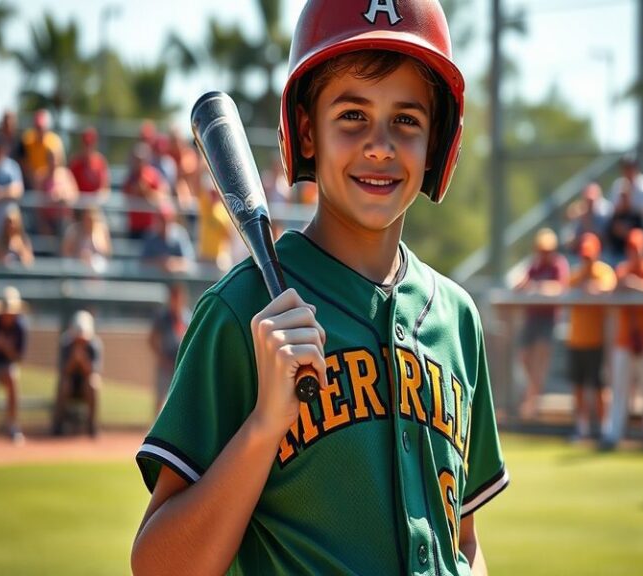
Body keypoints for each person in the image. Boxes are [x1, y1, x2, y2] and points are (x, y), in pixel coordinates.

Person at [131, 2, 507, 574]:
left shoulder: (456, 318)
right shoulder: (243, 312)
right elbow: (159, 566)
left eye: (406, 120)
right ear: (306, 132)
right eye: (352, 116)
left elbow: (464, 539)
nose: (380, 145)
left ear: (437, 141)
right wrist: (263, 426)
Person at [600, 228, 643, 451]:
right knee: (619, 390)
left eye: (638, 250)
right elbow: (610, 295)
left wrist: (633, 284)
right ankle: (612, 435)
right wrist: (622, 284)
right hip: (624, 340)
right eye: (631, 249)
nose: (635, 254)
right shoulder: (622, 270)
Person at [566, 233, 617, 441]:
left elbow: (608, 289)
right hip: (577, 339)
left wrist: (591, 289)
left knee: (598, 386)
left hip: (597, 339)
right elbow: (567, 289)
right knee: (578, 385)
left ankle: (605, 427)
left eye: (590, 256)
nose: (586, 260)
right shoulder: (576, 274)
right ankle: (582, 426)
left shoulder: (603, 272)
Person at [515, 228, 569, 420]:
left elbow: (559, 288)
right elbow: (520, 285)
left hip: (548, 319)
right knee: (524, 358)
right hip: (532, 319)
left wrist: (537, 287)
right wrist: (526, 285)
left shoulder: (558, 265)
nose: (544, 254)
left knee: (539, 361)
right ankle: (533, 396)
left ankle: (531, 404)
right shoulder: (534, 266)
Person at [52, 310, 103, 437]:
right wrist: (73, 361)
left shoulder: (94, 345)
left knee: (93, 383)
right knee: (65, 383)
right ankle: (59, 424)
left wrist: (82, 361)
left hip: (85, 384)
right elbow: (63, 371)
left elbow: (93, 372)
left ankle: (92, 425)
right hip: (70, 383)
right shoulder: (66, 343)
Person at [148, 283, 191, 413]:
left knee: (184, 398)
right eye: (174, 297)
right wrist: (161, 358)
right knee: (161, 397)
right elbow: (152, 339)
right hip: (166, 361)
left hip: (181, 362)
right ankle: (155, 430)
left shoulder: (187, 316)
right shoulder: (163, 317)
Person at [0, 286, 27, 443]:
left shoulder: (20, 326)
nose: (8, 316)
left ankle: (12, 424)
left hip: (7, 364)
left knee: (12, 377)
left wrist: (5, 347)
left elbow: (18, 358)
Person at [123, 143, 167, 239]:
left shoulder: (153, 175)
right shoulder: (130, 178)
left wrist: (146, 191)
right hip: (134, 226)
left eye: (140, 160)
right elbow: (125, 196)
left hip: (150, 226)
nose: (138, 162)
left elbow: (162, 196)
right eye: (136, 159)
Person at [140, 200, 195, 274]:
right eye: (161, 219)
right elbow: (143, 262)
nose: (164, 223)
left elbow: (189, 263)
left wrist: (172, 264)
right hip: (154, 280)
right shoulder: (150, 235)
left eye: (166, 219)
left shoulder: (180, 234)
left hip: (176, 278)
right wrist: (160, 262)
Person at [33, 147, 79, 236]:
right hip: (47, 220)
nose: (53, 162)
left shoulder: (66, 173)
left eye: (55, 158)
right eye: (50, 158)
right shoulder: (41, 175)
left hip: (65, 219)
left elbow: (75, 194)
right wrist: (43, 224)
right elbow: (37, 201)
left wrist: (64, 196)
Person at [609, 153, 643, 233]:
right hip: (621, 229)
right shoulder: (618, 185)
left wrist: (628, 200)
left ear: (636, 168)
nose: (628, 171)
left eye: (630, 167)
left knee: (635, 239)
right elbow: (612, 210)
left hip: (641, 229)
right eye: (625, 168)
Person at [19, 109, 65, 189]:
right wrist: (33, 179)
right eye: (37, 127)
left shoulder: (55, 141)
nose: (39, 130)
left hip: (50, 184)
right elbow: (24, 164)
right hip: (31, 183)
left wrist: (44, 176)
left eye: (41, 127)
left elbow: (60, 164)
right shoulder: (27, 140)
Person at [564, 182, 611, 255]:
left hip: (602, 254)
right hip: (581, 254)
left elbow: (602, 240)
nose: (590, 203)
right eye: (587, 200)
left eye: (591, 200)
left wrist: (587, 221)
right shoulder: (579, 214)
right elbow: (570, 242)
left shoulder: (604, 214)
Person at [61, 205, 112, 272]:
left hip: (95, 264)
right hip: (76, 262)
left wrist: (92, 256)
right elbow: (66, 251)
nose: (89, 222)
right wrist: (79, 256)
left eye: (92, 219)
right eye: (87, 219)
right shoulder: (74, 230)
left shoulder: (101, 230)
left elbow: (107, 252)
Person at [606, 182, 643, 263]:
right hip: (617, 252)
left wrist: (626, 233)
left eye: (626, 196)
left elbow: (641, 234)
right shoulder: (615, 216)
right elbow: (609, 235)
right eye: (622, 197)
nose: (624, 199)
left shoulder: (636, 215)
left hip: (633, 253)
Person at [0, 132, 24, 237]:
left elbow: (18, 190)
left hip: (7, 214)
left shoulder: (12, 166)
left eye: (0, 148)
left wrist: (1, 192)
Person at [68, 127, 110, 197]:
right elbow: (69, 185)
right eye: (86, 143)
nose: (88, 147)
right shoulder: (75, 162)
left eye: (90, 143)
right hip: (78, 204)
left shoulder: (100, 161)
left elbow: (105, 188)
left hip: (95, 204)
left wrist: (97, 198)